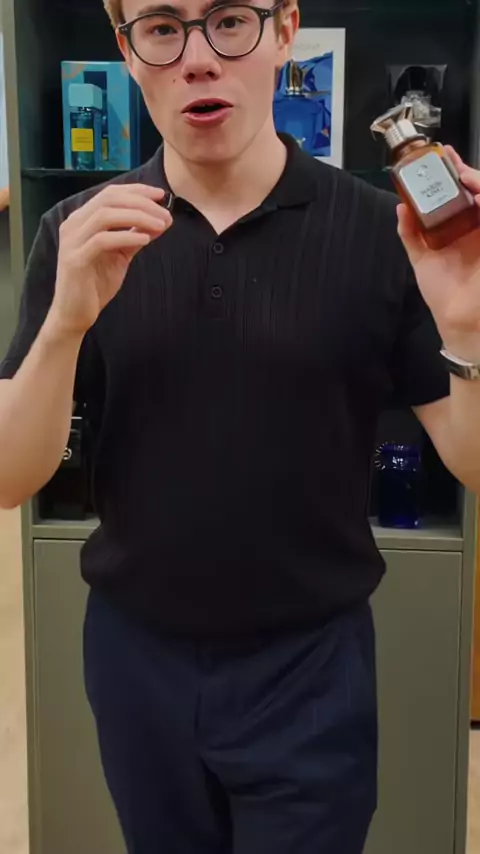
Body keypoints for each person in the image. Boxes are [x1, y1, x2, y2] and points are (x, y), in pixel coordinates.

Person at [1, 0, 480, 851]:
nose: (197, 57)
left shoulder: (381, 233)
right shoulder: (77, 234)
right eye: (161, 27)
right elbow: (10, 477)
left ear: (286, 28)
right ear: (126, 50)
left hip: (312, 667)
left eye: (229, 20)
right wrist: (65, 327)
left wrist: (469, 331)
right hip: (135, 659)